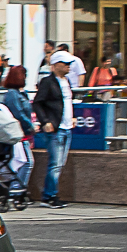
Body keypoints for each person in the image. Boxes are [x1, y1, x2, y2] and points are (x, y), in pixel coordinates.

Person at [31, 52, 77, 208]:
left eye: (69, 64)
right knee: (55, 163)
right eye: (65, 63)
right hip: (55, 129)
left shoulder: (67, 81)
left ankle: (50, 194)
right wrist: (45, 121)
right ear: (56, 64)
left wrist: (72, 117)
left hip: (66, 127)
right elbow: (37, 103)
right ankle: (50, 196)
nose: (68, 66)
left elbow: (68, 103)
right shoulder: (47, 82)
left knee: (60, 163)